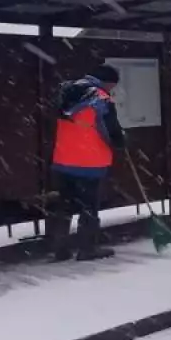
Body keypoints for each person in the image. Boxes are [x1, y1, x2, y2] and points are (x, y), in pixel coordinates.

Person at [46, 64, 127, 260]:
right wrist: (121, 142)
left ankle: (60, 248)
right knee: (88, 206)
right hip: (89, 162)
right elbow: (111, 130)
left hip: (64, 160)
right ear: (107, 82)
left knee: (65, 204)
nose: (112, 89)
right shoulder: (100, 98)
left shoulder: (68, 92)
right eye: (112, 85)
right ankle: (87, 249)